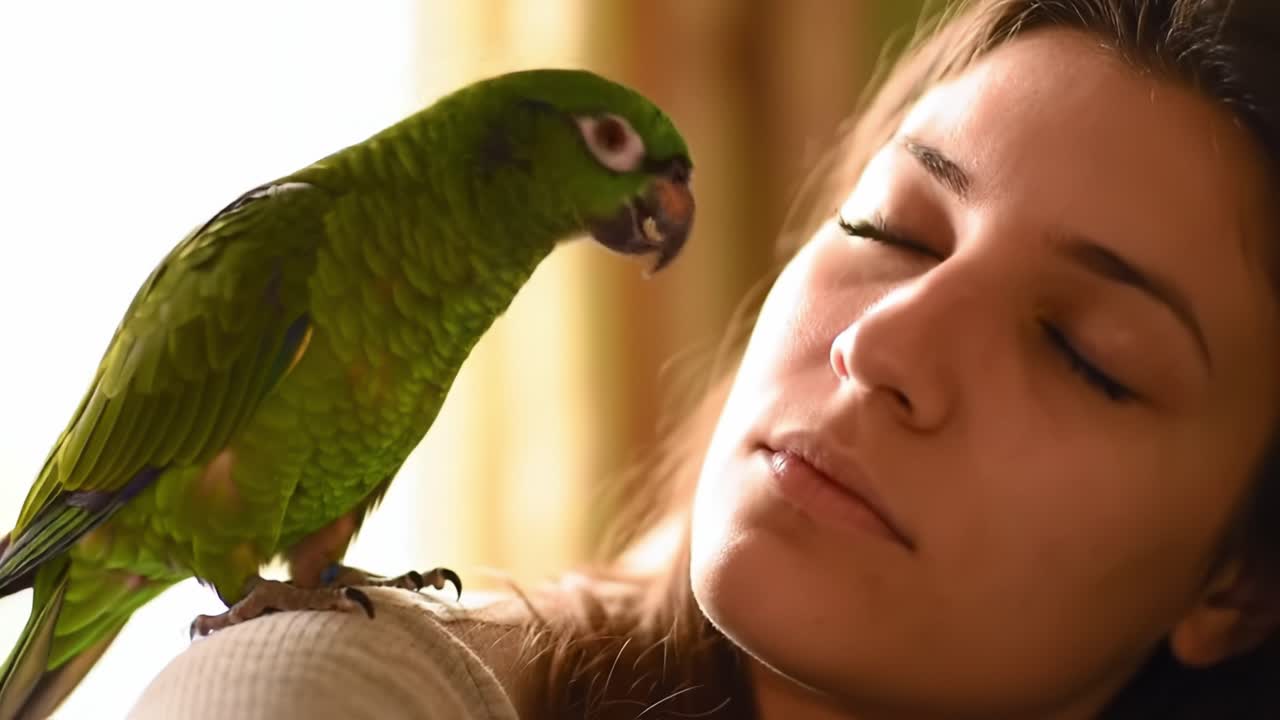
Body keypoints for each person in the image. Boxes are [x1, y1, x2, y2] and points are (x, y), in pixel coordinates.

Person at [128, 0, 1280, 718]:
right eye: (890, 231)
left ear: (1239, 585)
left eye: (1084, 355)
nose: (879, 343)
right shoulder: (351, 685)